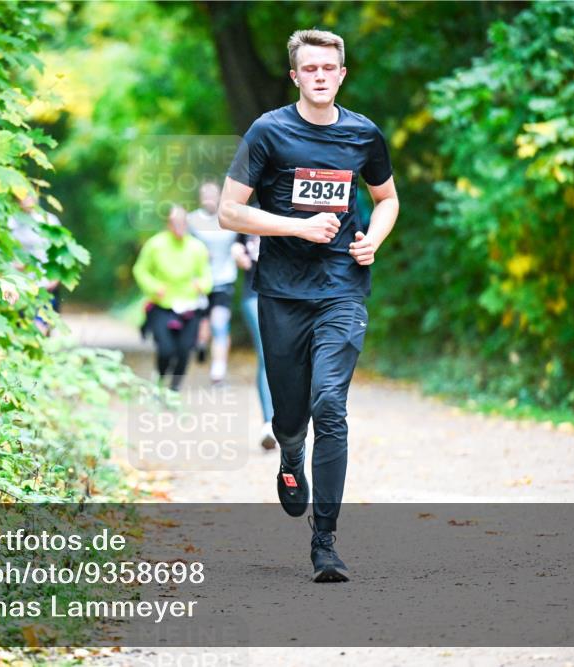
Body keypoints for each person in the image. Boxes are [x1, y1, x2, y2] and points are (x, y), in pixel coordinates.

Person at [219, 29, 399, 582]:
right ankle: (290, 453)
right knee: (292, 414)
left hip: (343, 287)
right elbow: (230, 212)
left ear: (342, 74)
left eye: (330, 68)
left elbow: (386, 199)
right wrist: (296, 226)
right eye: (310, 69)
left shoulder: (363, 135)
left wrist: (374, 238)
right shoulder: (268, 132)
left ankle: (325, 542)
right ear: (295, 76)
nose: (320, 76)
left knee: (332, 405)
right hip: (281, 292)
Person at [133, 205, 213, 391]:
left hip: (189, 307)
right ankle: (161, 379)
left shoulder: (197, 247)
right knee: (166, 350)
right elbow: (140, 270)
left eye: (182, 223)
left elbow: (206, 275)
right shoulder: (155, 244)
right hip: (162, 306)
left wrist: (202, 285)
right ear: (168, 224)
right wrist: (154, 287)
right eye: (174, 223)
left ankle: (174, 388)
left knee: (184, 350)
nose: (179, 226)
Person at [187, 181, 238, 384]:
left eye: (212, 194)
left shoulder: (230, 218)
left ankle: (218, 371)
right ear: (200, 198)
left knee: (220, 324)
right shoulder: (192, 221)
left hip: (224, 280)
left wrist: (239, 252)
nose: (209, 198)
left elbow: (244, 240)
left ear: (219, 196)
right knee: (202, 324)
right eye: (205, 195)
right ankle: (200, 343)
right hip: (199, 282)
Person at [232, 233, 278, 450]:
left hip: (288, 295)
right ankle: (269, 423)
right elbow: (234, 243)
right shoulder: (249, 212)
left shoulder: (293, 207)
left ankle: (291, 422)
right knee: (266, 353)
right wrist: (236, 252)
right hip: (254, 293)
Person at [8, 191, 62, 334]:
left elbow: (59, 251)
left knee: (45, 325)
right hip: (21, 284)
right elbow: (3, 251)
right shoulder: (10, 222)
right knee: (22, 325)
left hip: (45, 282)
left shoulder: (49, 221)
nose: (27, 201)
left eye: (30, 196)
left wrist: (56, 276)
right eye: (23, 197)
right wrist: (12, 267)